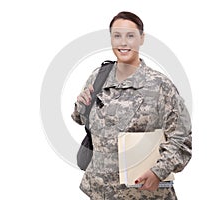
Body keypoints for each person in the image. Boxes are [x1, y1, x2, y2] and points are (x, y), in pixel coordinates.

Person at [71, 11, 192, 200]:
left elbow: (182, 138)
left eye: (130, 36)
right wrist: (81, 104)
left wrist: (158, 172)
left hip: (143, 194)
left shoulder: (159, 86)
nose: (123, 43)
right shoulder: (98, 77)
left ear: (141, 39)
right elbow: (81, 119)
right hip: (100, 192)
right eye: (117, 36)